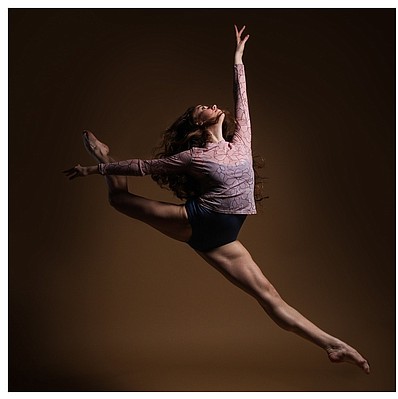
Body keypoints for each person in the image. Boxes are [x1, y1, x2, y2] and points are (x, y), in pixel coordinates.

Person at [63, 25, 370, 374]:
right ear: (198, 124)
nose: (212, 105)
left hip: (224, 239)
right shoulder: (193, 156)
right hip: (196, 221)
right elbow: (143, 166)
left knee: (268, 295)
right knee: (119, 200)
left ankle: (332, 345)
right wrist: (93, 170)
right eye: (203, 108)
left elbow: (242, 96)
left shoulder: (240, 140)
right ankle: (104, 157)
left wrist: (237, 59)